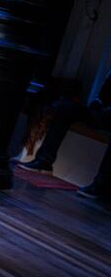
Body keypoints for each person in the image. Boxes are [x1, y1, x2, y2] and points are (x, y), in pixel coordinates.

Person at [18, 71, 111, 199]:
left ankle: (101, 185)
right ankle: (44, 161)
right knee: (64, 108)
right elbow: (103, 96)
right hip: (104, 114)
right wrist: (97, 102)